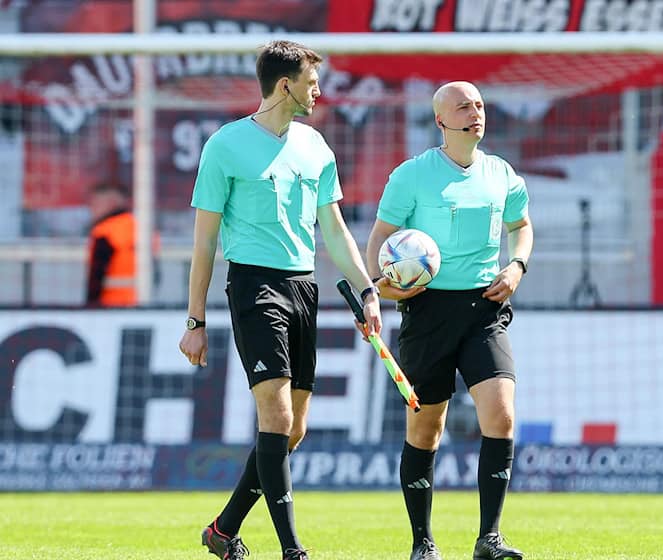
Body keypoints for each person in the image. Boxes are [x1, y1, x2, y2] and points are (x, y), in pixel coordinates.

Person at [178, 40, 381, 560]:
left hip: (304, 286)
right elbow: (203, 242)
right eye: (312, 82)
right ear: (285, 84)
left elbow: (334, 231)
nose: (319, 91)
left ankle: (223, 529)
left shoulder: (316, 148)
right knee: (277, 415)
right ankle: (293, 549)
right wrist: (195, 319)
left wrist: (366, 290)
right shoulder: (225, 145)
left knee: (294, 428)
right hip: (254, 285)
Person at [365, 81, 533, 560]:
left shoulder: (502, 174)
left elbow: (521, 228)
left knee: (500, 416)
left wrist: (516, 266)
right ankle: (423, 543)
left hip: (485, 309)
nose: (474, 112)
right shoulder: (411, 176)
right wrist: (382, 284)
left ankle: (490, 539)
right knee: (425, 430)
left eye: (479, 104)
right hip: (427, 312)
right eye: (462, 107)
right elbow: (380, 237)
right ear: (441, 121)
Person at [85, 183, 137, 307]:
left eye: (96, 204)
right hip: (141, 301)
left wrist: (90, 305)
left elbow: (96, 276)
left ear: (111, 203)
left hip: (110, 304)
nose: (92, 209)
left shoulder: (105, 231)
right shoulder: (141, 227)